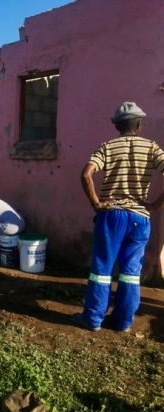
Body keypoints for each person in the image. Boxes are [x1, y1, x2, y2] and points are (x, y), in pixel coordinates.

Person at [74, 102, 164, 332]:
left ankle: (93, 319)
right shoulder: (152, 147)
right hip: (139, 218)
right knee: (131, 272)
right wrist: (155, 205)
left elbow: (86, 175)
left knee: (102, 269)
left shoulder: (107, 147)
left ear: (116, 126)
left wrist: (96, 203)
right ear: (140, 124)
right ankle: (123, 322)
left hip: (111, 216)